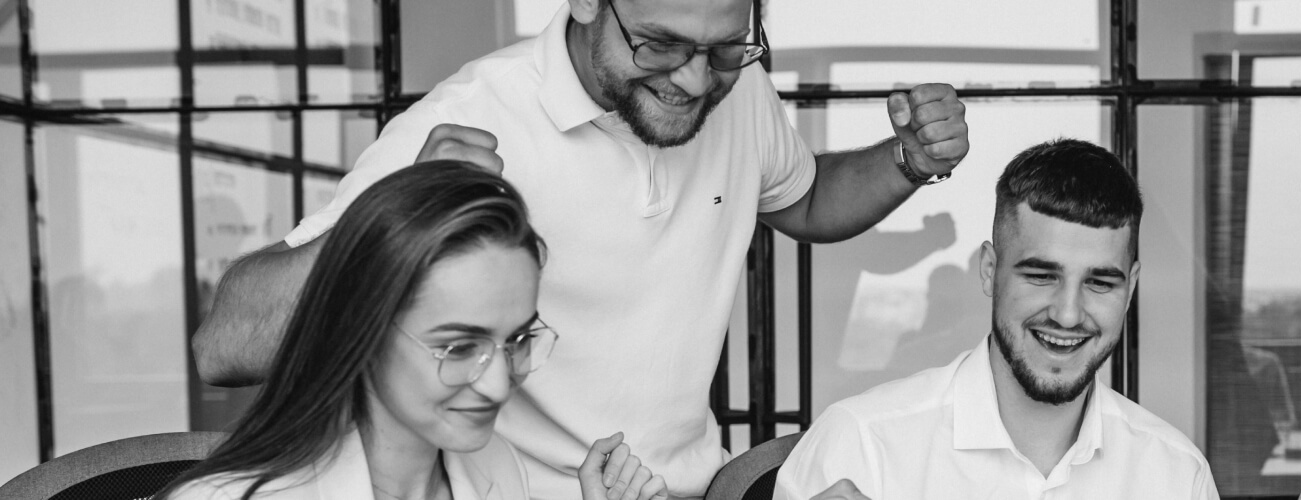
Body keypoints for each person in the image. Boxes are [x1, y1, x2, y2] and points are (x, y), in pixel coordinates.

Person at [188, 0, 972, 497]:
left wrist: (905, 161)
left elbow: (802, 197)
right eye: (659, 45)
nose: (694, 82)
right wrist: (402, 212)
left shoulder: (736, 91)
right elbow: (226, 345)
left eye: (726, 48)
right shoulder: (477, 114)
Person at [160, 161, 657, 500]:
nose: (498, 385)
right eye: (457, 347)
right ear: (364, 332)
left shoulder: (497, 467)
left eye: (517, 341)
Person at [774, 139, 1220, 500]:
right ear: (989, 270)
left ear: (1131, 288)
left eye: (1100, 283)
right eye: (1041, 276)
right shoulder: (862, 446)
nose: (1068, 314)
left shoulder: (1177, 475)